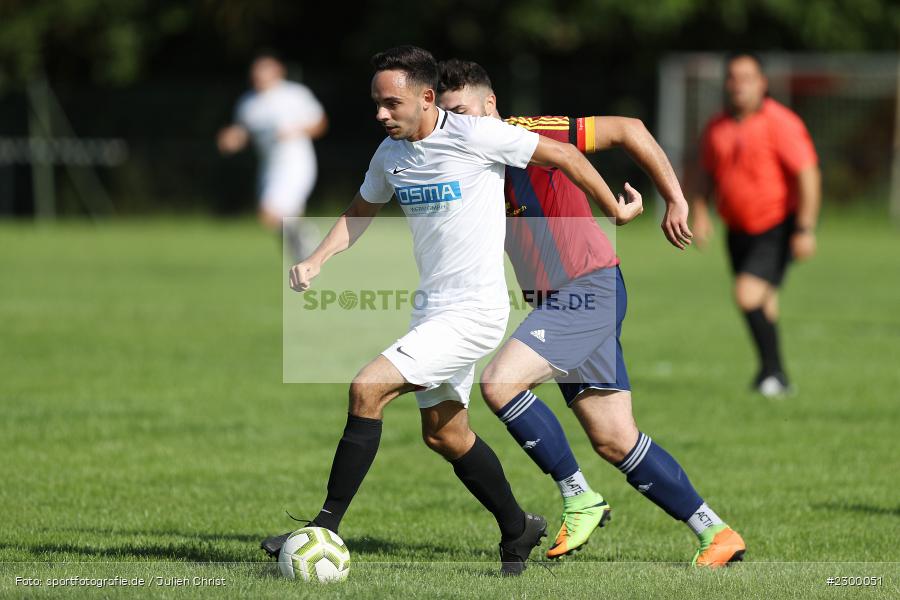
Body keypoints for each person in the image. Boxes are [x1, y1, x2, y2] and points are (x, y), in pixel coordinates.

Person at [261, 46, 641, 575]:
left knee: (366, 387)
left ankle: (323, 526)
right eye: (376, 104)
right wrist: (318, 259)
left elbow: (568, 156)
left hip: (475, 313)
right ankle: (518, 528)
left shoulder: (476, 135)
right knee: (445, 434)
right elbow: (360, 210)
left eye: (391, 104)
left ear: (426, 96)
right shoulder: (389, 155)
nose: (380, 114)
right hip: (432, 310)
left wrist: (614, 207)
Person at [437, 59, 745, 567]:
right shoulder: (464, 159)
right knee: (615, 438)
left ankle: (578, 495)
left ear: (491, 105)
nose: (460, 125)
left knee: (500, 384)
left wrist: (676, 199)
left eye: (465, 112)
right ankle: (716, 532)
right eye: (449, 117)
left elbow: (629, 129)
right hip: (565, 300)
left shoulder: (526, 134)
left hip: (585, 290)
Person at [691, 53, 820, 396]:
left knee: (747, 295)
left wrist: (805, 228)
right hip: (737, 230)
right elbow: (705, 174)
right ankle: (773, 375)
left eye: (747, 77)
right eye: (733, 77)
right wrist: (700, 212)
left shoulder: (781, 122)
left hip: (776, 225)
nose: (739, 84)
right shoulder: (716, 126)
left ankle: (773, 374)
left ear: (762, 82)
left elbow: (808, 174)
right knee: (764, 303)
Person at [217, 52, 328, 259]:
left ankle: (306, 236)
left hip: (296, 163)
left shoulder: (295, 95)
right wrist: (231, 139)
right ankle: (304, 255)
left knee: (269, 213)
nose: (258, 75)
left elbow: (320, 124)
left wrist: (296, 131)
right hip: (269, 167)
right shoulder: (248, 103)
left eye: (263, 70)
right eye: (255, 71)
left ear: (278, 71)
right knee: (286, 218)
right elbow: (243, 133)